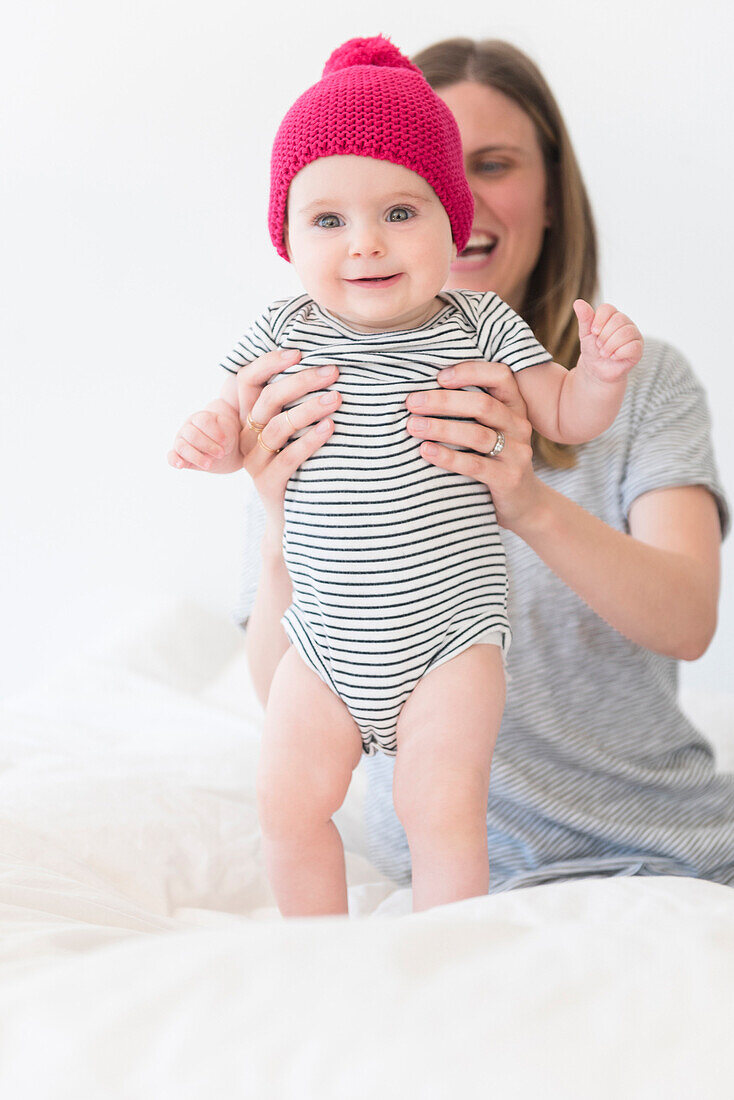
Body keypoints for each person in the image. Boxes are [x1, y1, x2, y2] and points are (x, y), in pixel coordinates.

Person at [173, 36, 734, 901]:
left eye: (487, 168)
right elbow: (277, 682)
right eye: (335, 214)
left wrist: (527, 495)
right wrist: (272, 505)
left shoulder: (631, 378)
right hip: (448, 875)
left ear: (547, 194)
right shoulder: (301, 383)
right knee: (302, 804)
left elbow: (690, 619)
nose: (371, 240)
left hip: (659, 853)